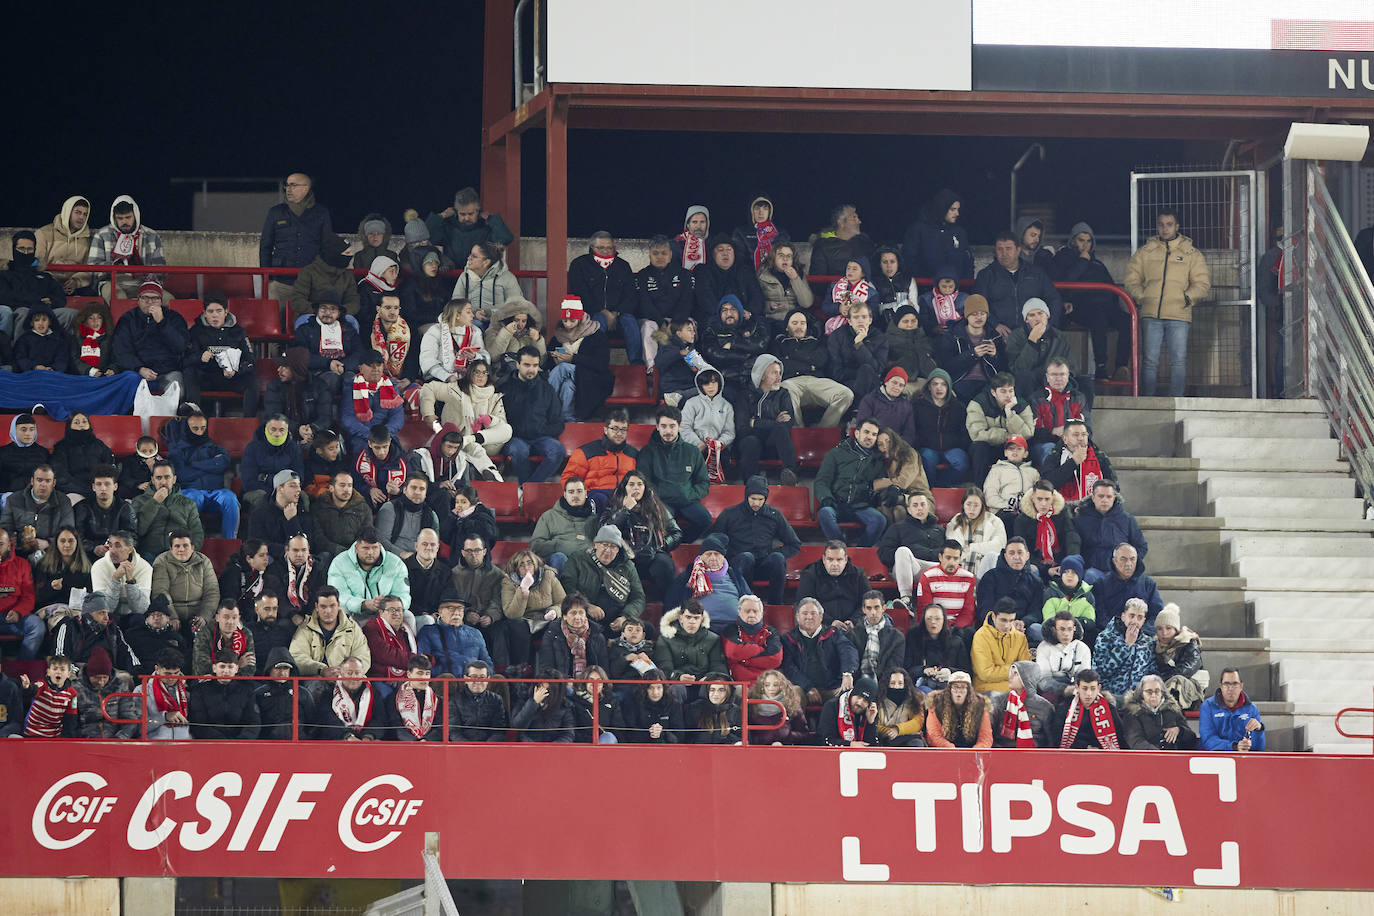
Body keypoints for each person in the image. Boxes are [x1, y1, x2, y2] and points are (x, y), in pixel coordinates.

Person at [1124, 209, 1211, 398]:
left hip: (1178, 314)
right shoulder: (1145, 252)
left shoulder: (1191, 254)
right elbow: (1131, 280)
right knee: (1149, 361)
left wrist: (1186, 298)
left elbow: (1202, 284)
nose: (1165, 228)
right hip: (1151, 313)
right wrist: (1143, 297)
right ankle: (1147, 400)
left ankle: (1176, 400)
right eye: (1161, 224)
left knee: (1178, 360)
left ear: (1177, 226)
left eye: (1169, 224)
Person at [1055, 221, 1133, 381]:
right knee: (1099, 317)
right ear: (1073, 241)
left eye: (1088, 241)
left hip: (1104, 305)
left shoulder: (1097, 263)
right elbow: (1066, 281)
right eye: (1081, 240)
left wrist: (1114, 305)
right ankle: (1101, 368)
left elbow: (1111, 287)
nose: (1085, 245)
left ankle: (1121, 367)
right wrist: (1082, 261)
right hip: (1079, 306)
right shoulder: (1065, 257)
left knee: (1127, 320)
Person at [708, 476, 801, 606]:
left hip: (764, 564)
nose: (756, 503)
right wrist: (727, 555)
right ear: (746, 496)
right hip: (739, 564)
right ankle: (743, 603)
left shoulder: (774, 515)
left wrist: (775, 552)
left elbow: (794, 544)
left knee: (778, 559)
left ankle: (776, 605)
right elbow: (713, 540)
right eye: (753, 499)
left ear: (766, 498)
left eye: (760, 499)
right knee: (746, 557)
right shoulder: (730, 514)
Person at [280, 300, 363, 429]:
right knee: (331, 379)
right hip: (316, 373)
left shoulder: (348, 330)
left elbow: (359, 354)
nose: (328, 313)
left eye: (332, 309)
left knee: (353, 379)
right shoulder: (305, 330)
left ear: (339, 313)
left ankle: (350, 424)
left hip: (344, 370)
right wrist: (328, 363)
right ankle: (324, 424)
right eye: (323, 309)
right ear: (317, 311)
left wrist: (343, 365)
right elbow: (300, 356)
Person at [600, 470, 681, 601]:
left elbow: (676, 533)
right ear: (624, 488)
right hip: (625, 554)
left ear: (645, 488)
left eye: (640, 484)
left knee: (664, 564)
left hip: (653, 554)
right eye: (631, 484)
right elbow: (605, 531)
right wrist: (624, 510)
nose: (636, 488)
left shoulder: (657, 507)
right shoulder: (613, 505)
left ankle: (661, 601)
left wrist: (660, 545)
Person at [637, 405, 711, 543]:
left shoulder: (692, 452)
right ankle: (669, 545)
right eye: (664, 426)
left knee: (705, 519)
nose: (668, 431)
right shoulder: (647, 452)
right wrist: (658, 497)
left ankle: (680, 541)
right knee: (658, 523)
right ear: (657, 427)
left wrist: (688, 494)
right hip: (662, 501)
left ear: (679, 426)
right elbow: (644, 483)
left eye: (672, 426)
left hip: (687, 501)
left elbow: (703, 483)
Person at [557, 527, 646, 637]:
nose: (608, 550)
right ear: (596, 545)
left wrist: (625, 617)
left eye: (613, 547)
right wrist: (587, 606)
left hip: (616, 619)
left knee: (647, 630)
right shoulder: (578, 559)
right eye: (605, 545)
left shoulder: (628, 566)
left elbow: (638, 597)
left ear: (618, 550)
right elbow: (567, 586)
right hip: (586, 616)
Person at [568, 232, 641, 364]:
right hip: (592, 315)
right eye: (601, 248)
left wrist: (615, 313)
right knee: (598, 320)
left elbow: (631, 295)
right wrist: (603, 312)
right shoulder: (579, 264)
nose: (606, 251)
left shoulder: (623, 265)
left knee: (630, 320)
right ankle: (597, 363)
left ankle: (636, 366)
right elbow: (580, 293)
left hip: (619, 315)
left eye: (609, 247)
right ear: (592, 248)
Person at [972, 231, 1063, 336]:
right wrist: (995, 325)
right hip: (998, 335)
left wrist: (1047, 325)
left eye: (1008, 249)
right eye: (1000, 249)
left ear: (1018, 250)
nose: (1004, 254)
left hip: (1032, 333)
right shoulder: (986, 275)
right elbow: (977, 305)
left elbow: (1054, 299)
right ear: (995, 252)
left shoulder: (1036, 273)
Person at [164, 411, 238, 539]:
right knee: (194, 496)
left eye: (203, 428)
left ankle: (230, 541)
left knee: (230, 497)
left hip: (215, 492)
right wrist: (211, 466)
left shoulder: (215, 448)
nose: (199, 432)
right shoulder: (178, 451)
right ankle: (190, 541)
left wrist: (193, 464)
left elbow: (223, 463)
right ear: (187, 429)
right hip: (190, 492)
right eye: (195, 428)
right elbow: (182, 475)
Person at [773, 309, 850, 431]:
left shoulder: (816, 341)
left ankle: (823, 429)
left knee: (846, 394)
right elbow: (781, 365)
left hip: (816, 381)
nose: (799, 326)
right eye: (795, 323)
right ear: (787, 327)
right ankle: (798, 430)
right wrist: (809, 365)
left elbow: (821, 360)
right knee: (785, 389)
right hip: (791, 382)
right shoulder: (778, 342)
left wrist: (792, 356)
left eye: (802, 323)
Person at [260, 173, 333, 302]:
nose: (288, 189)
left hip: (311, 282)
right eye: (287, 185)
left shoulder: (321, 213)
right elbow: (265, 246)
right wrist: (267, 277)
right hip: (280, 282)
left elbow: (327, 246)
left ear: (306, 188)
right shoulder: (276, 212)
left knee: (309, 320)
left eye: (293, 185)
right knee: (276, 320)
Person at [112, 280, 189, 399]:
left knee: (176, 390)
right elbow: (121, 350)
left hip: (168, 370)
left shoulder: (174, 318)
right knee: (127, 384)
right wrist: (139, 368)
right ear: (138, 300)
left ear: (161, 301)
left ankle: (170, 418)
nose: (150, 302)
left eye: (155, 299)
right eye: (145, 298)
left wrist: (162, 322)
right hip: (137, 371)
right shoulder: (127, 319)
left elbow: (181, 346)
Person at [498, 346, 566, 483]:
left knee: (558, 450)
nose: (531, 369)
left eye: (535, 365)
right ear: (517, 364)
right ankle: (529, 490)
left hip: (540, 438)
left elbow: (558, 422)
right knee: (519, 450)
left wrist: (541, 430)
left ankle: (528, 488)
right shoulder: (504, 387)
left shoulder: (547, 389)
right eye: (527, 365)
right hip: (514, 439)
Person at [814, 418, 886, 547]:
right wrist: (826, 498)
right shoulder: (836, 453)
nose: (870, 437)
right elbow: (821, 481)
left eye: (874, 434)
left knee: (879, 520)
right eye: (866, 432)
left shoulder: (878, 461)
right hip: (836, 503)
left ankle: (860, 551)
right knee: (824, 513)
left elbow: (880, 484)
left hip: (861, 506)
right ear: (857, 433)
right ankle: (842, 550)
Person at [184, 295, 258, 415]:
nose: (214, 315)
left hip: (231, 378)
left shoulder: (238, 331)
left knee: (252, 380)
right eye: (210, 311)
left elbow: (250, 360)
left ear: (226, 312)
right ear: (205, 313)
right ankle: (194, 419)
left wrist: (236, 370)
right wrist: (200, 357)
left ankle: (249, 422)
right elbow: (185, 361)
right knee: (189, 373)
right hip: (206, 377)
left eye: (219, 311)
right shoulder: (196, 331)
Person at [780, 596, 860, 704]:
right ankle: (797, 721)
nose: (809, 617)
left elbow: (848, 651)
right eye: (805, 613)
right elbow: (789, 668)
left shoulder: (833, 633)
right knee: (794, 693)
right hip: (803, 689)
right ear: (797, 617)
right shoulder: (788, 639)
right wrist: (808, 687)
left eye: (813, 613)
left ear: (821, 617)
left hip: (832, 687)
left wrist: (847, 673)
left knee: (849, 694)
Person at [664, 533, 752, 631]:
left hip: (735, 627)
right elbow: (671, 603)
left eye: (717, 554)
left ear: (723, 557)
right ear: (701, 557)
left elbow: (750, 600)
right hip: (703, 628)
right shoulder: (688, 576)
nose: (713, 558)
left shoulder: (734, 574)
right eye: (708, 554)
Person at [86, 195, 166, 301]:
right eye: (120, 218)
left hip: (144, 282)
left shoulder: (151, 235)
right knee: (118, 297)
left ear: (135, 216)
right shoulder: (102, 235)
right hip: (112, 282)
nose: (124, 222)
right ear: (114, 218)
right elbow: (93, 268)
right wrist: (113, 265)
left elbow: (161, 268)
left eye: (128, 217)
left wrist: (148, 274)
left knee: (168, 300)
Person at [736, 354, 800, 486]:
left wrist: (755, 423)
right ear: (762, 375)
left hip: (774, 445)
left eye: (780, 373)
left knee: (781, 429)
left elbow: (788, 424)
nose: (779, 377)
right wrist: (775, 422)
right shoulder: (745, 395)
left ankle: (790, 475)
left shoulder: (783, 394)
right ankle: (750, 486)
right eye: (774, 373)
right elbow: (742, 428)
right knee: (750, 441)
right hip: (750, 443)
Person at [547, 296, 614, 422]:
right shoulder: (558, 337)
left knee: (563, 368)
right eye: (565, 321)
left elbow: (601, 364)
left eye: (572, 320)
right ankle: (569, 419)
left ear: (580, 319)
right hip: (572, 381)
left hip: (592, 378)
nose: (568, 325)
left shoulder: (596, 335)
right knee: (568, 385)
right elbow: (547, 362)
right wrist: (554, 359)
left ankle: (544, 404)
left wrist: (573, 359)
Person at [499, 548, 565, 671]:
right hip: (524, 620)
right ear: (516, 568)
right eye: (522, 565)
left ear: (535, 564)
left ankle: (551, 671)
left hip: (546, 619)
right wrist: (523, 590)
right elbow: (511, 614)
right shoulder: (508, 582)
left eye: (530, 563)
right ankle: (522, 669)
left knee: (556, 627)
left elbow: (563, 602)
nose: (527, 567)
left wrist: (554, 611)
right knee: (517, 626)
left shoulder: (548, 575)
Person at [1073, 479, 1147, 586]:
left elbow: (1141, 546)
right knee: (1089, 576)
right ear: (1093, 498)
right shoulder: (1080, 520)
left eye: (1109, 497)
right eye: (1101, 496)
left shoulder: (1127, 519)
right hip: (1092, 570)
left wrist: (1128, 563)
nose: (1105, 500)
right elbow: (1075, 547)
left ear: (1114, 498)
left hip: (1119, 572)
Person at [328, 528, 411, 621]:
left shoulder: (396, 564)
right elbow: (339, 596)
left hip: (386, 614)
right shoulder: (339, 563)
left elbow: (403, 596)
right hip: (354, 615)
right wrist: (364, 604)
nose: (370, 552)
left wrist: (388, 605)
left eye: (374, 548)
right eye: (365, 548)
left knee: (408, 616)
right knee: (340, 611)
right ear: (356, 547)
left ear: (380, 546)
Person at [966, 373, 1035, 484]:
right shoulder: (978, 403)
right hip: (990, 449)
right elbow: (977, 434)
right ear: (993, 392)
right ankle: (980, 489)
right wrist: (1008, 436)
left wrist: (1010, 414)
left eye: (1011, 390)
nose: (1008, 395)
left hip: (1011, 448)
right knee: (979, 447)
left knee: (1026, 446)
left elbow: (1028, 433)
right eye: (1003, 391)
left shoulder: (1022, 405)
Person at [562, 410, 638, 508]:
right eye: (615, 429)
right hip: (594, 496)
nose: (619, 433)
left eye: (623, 429)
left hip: (622, 496)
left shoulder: (632, 453)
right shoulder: (586, 452)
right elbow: (569, 478)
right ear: (605, 430)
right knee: (600, 500)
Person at [878, 492, 945, 603]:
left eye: (923, 504)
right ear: (909, 510)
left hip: (934, 568)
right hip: (910, 567)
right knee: (902, 551)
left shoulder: (939, 530)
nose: (919, 508)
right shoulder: (897, 528)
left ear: (928, 507)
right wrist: (911, 553)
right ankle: (906, 599)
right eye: (915, 505)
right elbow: (884, 553)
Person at [425, 187, 515, 269]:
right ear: (456, 212)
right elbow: (426, 235)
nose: (466, 218)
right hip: (451, 281)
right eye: (462, 214)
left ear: (478, 212)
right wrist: (441, 216)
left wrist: (491, 218)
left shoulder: (485, 231)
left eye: (470, 214)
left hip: (477, 281)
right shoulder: (448, 229)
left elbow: (506, 238)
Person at [635, 236, 693, 363]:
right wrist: (661, 322)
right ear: (649, 255)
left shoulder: (684, 274)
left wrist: (674, 322)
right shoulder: (642, 275)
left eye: (664, 253)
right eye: (655, 253)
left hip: (678, 319)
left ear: (670, 254)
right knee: (648, 326)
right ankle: (652, 369)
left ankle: (692, 365)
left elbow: (686, 301)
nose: (659, 257)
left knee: (689, 326)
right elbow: (644, 303)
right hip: (652, 319)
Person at [1051, 668, 1140, 750]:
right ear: (1077, 688)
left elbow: (1120, 739)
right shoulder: (1065, 708)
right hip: (1074, 756)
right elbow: (1057, 738)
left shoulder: (1109, 709)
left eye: (1093, 689)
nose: (1088, 693)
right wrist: (1085, 748)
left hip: (1104, 757)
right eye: (1084, 688)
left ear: (1098, 688)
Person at [51, 592, 139, 675]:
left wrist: (136, 671)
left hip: (107, 672)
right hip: (79, 670)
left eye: (107, 613)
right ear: (88, 615)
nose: (106, 618)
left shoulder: (113, 628)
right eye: (102, 613)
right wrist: (79, 672)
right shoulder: (69, 626)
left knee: (126, 678)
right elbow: (60, 657)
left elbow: (127, 651)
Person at [0, 464, 75, 562]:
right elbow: (5, 528)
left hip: (52, 552)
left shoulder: (64, 501)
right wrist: (18, 541)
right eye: (39, 480)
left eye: (48, 481)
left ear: (54, 483)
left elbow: (68, 530)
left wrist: (48, 543)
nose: (43, 484)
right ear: (32, 481)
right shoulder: (14, 500)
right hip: (19, 552)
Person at [290, 586, 370, 676]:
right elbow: (297, 657)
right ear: (316, 607)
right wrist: (322, 670)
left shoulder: (353, 628)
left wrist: (345, 671)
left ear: (338, 605)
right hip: (317, 677)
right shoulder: (305, 627)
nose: (328, 611)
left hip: (347, 678)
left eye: (332, 606)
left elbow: (363, 657)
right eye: (323, 607)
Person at [1013, 480, 1081, 584]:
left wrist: (1069, 562)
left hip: (1061, 563)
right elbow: (1024, 551)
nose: (1043, 504)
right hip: (1036, 564)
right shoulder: (1022, 520)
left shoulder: (1062, 514)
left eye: (1047, 499)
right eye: (1039, 499)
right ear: (1032, 497)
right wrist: (1046, 570)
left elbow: (1072, 537)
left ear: (1053, 498)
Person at [132, 461, 203, 561]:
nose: (163, 482)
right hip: (150, 554)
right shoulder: (139, 501)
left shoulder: (188, 503)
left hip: (179, 554)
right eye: (159, 478)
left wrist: (188, 553)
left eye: (167, 477)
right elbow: (138, 530)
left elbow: (197, 533)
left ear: (174, 479)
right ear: (152, 480)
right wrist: (154, 502)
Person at [912, 369, 971, 487]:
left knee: (961, 462)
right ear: (929, 386)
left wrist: (957, 443)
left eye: (943, 384)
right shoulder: (918, 405)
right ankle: (930, 488)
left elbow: (964, 433)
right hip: (928, 448)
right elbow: (914, 430)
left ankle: (942, 485)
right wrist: (922, 443)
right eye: (935, 384)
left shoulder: (958, 407)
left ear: (948, 387)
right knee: (927, 459)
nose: (939, 388)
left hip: (952, 448)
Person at [450, 534, 505, 661]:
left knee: (501, 631)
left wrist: (490, 616)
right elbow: (451, 600)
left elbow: (498, 600)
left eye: (477, 550)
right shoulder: (454, 574)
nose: (473, 555)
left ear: (484, 551)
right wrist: (466, 614)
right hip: (463, 619)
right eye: (469, 551)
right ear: (463, 552)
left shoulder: (497, 574)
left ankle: (501, 671)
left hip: (488, 620)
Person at [150, 530, 220, 628]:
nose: (181, 549)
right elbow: (160, 592)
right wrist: (172, 617)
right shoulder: (161, 561)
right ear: (171, 548)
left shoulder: (204, 561)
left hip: (198, 614)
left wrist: (204, 616)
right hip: (172, 615)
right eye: (177, 546)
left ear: (192, 548)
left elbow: (212, 592)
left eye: (185, 546)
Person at [691, 233, 763, 327]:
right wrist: (724, 314)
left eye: (729, 249)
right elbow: (705, 298)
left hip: (744, 317)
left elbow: (757, 295)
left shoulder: (745, 270)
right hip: (714, 319)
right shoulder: (703, 271)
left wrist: (748, 311)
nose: (725, 253)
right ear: (712, 254)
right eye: (720, 250)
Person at [341, 350, 405, 455]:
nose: (375, 369)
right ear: (360, 368)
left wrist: (384, 435)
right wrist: (370, 435)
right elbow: (347, 418)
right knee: (361, 451)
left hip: (386, 435)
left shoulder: (391, 387)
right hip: (361, 437)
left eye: (379, 365)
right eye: (370, 365)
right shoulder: (351, 387)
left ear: (383, 367)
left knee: (397, 453)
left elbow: (397, 417)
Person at [1041, 418, 1116, 507]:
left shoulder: (1099, 457)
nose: (1080, 438)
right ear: (1065, 439)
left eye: (1084, 434)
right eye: (1075, 435)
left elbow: (1113, 487)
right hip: (1061, 511)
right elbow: (1047, 485)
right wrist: (1073, 462)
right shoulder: (1054, 456)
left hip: (1093, 511)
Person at [702, 294, 769, 394]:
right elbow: (714, 354)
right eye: (724, 310)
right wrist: (746, 356)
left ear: (741, 311)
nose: (729, 313)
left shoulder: (753, 326)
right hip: (727, 379)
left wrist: (732, 345)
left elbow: (759, 345)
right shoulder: (712, 330)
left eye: (733, 309)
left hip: (753, 377)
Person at [1026, 357, 1087, 465]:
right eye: (1054, 375)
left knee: (1093, 453)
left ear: (1068, 376)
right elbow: (1032, 433)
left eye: (1062, 374)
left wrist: (1072, 435)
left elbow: (1088, 429)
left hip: (1073, 443)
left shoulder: (1078, 398)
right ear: (1047, 377)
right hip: (1043, 445)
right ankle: (1052, 481)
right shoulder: (1035, 399)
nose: (1058, 378)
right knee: (1051, 450)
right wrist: (1053, 431)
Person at [189, 649, 262, 740]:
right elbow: (198, 723)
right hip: (210, 744)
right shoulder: (200, 690)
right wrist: (221, 741)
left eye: (230, 667)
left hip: (240, 745)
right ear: (214, 668)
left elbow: (253, 722)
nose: (226, 671)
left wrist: (241, 741)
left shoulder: (247, 690)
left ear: (236, 669)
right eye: (222, 666)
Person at [531, 476, 599, 573]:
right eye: (571, 492)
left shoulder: (595, 519)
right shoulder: (549, 516)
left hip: (586, 563)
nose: (575, 495)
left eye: (579, 491)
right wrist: (559, 545)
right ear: (565, 494)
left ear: (586, 493)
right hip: (560, 562)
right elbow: (536, 546)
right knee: (559, 557)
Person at [1092, 543, 1164, 633]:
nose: (1128, 564)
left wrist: (1140, 632)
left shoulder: (1148, 584)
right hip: (1110, 637)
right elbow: (1100, 615)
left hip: (1142, 637)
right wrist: (1117, 633)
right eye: (1123, 559)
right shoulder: (1100, 584)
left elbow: (1156, 614)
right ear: (1114, 561)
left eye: (1132, 559)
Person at [904, 189, 974, 280]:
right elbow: (909, 261)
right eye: (953, 209)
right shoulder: (919, 230)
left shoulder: (959, 232)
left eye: (958, 209)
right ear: (942, 208)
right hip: (925, 288)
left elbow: (968, 262)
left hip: (957, 290)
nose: (957, 213)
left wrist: (966, 285)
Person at [797, 541, 869, 628]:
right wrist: (830, 622)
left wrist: (854, 621)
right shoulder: (810, 574)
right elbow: (804, 605)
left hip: (854, 627)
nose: (835, 564)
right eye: (830, 559)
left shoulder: (858, 574)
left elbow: (868, 602)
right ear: (824, 559)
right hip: (821, 627)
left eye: (839, 560)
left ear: (846, 559)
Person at [537, 593, 610, 679]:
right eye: (573, 613)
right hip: (561, 686)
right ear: (564, 616)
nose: (578, 617)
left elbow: (603, 671)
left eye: (581, 613)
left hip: (590, 686)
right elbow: (546, 668)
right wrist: (565, 681)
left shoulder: (597, 636)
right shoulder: (552, 634)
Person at [680, 367, 736, 480]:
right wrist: (698, 443)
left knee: (725, 466)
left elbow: (729, 432)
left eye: (714, 382)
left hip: (718, 449)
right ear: (700, 386)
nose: (710, 387)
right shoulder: (691, 403)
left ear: (719, 383)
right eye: (706, 384)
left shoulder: (727, 406)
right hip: (695, 447)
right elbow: (685, 427)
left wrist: (719, 444)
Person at [1094, 598, 1157, 696]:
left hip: (1137, 699)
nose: (1135, 621)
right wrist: (1126, 645)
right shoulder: (1105, 637)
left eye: (1139, 617)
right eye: (1131, 616)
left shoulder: (1148, 642)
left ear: (1144, 621)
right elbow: (1101, 671)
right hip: (1110, 696)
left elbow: (1152, 672)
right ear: (1123, 616)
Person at [241, 416, 305, 512]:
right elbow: (248, 482)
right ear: (266, 430)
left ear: (287, 431)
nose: (277, 434)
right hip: (258, 490)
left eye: (282, 430)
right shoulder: (253, 448)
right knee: (262, 500)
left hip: (286, 489)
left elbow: (298, 476)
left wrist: (265, 478)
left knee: (304, 498)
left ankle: (298, 527)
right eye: (273, 429)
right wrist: (275, 491)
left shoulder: (293, 448)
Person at [312, 656, 385, 741]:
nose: (353, 677)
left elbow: (379, 719)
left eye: (357, 673)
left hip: (366, 739)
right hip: (339, 738)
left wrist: (368, 736)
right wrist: (347, 736)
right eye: (349, 673)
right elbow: (327, 720)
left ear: (363, 675)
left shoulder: (373, 693)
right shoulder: (329, 693)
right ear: (342, 674)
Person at [289, 233, 361, 318]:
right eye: (347, 253)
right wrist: (319, 311)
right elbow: (297, 300)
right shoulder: (308, 272)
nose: (351, 256)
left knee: (351, 321)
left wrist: (340, 312)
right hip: (311, 315)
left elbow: (353, 300)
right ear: (335, 254)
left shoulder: (348, 275)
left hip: (339, 316)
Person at [35, 195, 94, 298]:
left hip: (74, 286)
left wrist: (76, 281)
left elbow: (88, 267)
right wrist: (51, 281)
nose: (81, 217)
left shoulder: (87, 239)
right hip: (48, 283)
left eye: (85, 214)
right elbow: (37, 263)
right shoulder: (44, 233)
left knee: (93, 297)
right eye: (77, 212)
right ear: (67, 212)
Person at [809, 203, 877, 292]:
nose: (859, 221)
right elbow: (817, 283)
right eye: (854, 218)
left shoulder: (864, 242)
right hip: (835, 298)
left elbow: (875, 271)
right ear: (841, 222)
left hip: (866, 296)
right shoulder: (823, 246)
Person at [33, 527, 94, 625]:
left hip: (77, 610)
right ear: (56, 543)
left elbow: (90, 595)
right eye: (62, 541)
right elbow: (38, 597)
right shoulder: (44, 565)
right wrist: (52, 588)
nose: (67, 545)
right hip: (52, 609)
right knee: (67, 624)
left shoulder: (86, 567)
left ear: (77, 543)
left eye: (71, 541)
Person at [828, 303, 887, 402]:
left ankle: (858, 412)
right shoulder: (836, 336)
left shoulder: (880, 337)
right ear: (850, 321)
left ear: (870, 320)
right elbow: (835, 372)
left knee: (867, 370)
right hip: (845, 383)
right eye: (856, 317)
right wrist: (861, 376)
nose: (860, 320)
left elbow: (877, 369)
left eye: (864, 317)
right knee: (865, 371)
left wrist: (859, 344)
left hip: (872, 382)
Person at [254, 647, 317, 741]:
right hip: (267, 746)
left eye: (286, 668)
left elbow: (312, 722)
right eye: (278, 668)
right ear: (269, 669)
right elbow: (253, 723)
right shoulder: (259, 694)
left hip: (298, 745)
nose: (282, 673)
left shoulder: (303, 693)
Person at [904, 603, 971, 692]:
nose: (933, 622)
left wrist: (950, 671)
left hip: (949, 687)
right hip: (921, 686)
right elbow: (906, 670)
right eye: (929, 619)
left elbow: (966, 672)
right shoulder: (913, 638)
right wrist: (923, 670)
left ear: (944, 620)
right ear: (923, 620)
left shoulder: (956, 641)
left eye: (937, 619)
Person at [74, 647, 137, 739]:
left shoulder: (120, 686)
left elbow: (130, 720)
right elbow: (71, 723)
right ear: (89, 675)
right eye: (97, 678)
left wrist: (119, 739)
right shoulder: (76, 689)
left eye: (104, 677)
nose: (101, 682)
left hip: (116, 741)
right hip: (85, 741)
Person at [718, 595, 782, 687]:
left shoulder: (771, 632)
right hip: (738, 685)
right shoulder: (731, 630)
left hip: (766, 686)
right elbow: (733, 652)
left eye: (755, 611)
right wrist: (760, 649)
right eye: (747, 611)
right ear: (739, 613)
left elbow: (775, 659)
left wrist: (744, 661)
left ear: (762, 613)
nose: (751, 615)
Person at [988, 660, 1055, 748]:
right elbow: (988, 736)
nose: (1010, 677)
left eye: (1016, 674)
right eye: (1010, 673)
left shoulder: (1045, 707)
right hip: (1003, 754)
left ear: (1028, 677)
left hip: (1034, 756)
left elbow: (1051, 742)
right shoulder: (997, 702)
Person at [89, 531, 151, 624]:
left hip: (134, 617)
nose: (112, 551)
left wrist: (131, 582)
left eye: (118, 546)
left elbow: (140, 609)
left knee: (138, 620)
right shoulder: (99, 566)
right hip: (108, 618)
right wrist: (115, 579)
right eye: (110, 546)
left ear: (130, 549)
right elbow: (104, 609)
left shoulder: (144, 567)